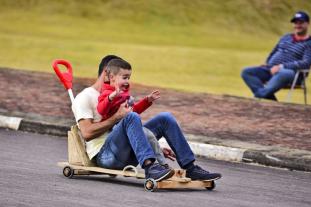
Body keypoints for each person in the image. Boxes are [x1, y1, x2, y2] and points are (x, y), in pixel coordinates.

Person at [72, 55, 222, 182]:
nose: (126, 82)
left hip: (128, 150)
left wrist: (153, 145)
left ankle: (190, 168)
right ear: (108, 74)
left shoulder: (120, 95)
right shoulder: (85, 97)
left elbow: (132, 123)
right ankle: (151, 168)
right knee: (130, 116)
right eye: (123, 77)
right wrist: (117, 117)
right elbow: (87, 133)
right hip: (106, 156)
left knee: (165, 118)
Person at [97, 58, 168, 167]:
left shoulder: (124, 94)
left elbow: (133, 112)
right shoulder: (106, 93)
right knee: (143, 131)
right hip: (115, 133)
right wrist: (111, 97)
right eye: (124, 78)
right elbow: (101, 110)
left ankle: (163, 166)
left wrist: (147, 101)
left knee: (149, 135)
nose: (127, 81)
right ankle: (150, 166)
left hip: (127, 129)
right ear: (112, 77)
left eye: (128, 78)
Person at [241, 11, 311, 101]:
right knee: (247, 72)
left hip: (292, 74)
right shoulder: (286, 37)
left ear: (307, 24)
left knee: (284, 72)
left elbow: (306, 63)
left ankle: (260, 95)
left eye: (301, 23)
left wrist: (282, 66)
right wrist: (268, 64)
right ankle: (268, 98)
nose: (297, 25)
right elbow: (273, 52)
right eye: (296, 23)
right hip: (271, 70)